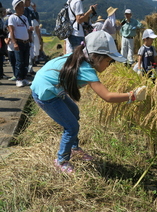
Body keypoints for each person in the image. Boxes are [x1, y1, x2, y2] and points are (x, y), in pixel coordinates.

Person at [30, 31, 147, 173]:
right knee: (71, 127)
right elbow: (108, 97)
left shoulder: (79, 58)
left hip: (50, 88)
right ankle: (61, 160)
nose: (109, 65)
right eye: (108, 61)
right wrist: (132, 96)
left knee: (74, 112)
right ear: (97, 57)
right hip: (45, 93)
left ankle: (74, 148)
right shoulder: (86, 69)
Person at [9, 0, 32, 87]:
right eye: (21, 6)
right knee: (19, 61)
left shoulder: (25, 17)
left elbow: (27, 29)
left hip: (26, 42)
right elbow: (11, 31)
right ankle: (19, 79)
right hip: (19, 42)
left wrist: (30, 38)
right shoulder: (12, 17)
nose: (23, 8)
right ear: (16, 7)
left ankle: (24, 78)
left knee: (25, 61)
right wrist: (14, 43)